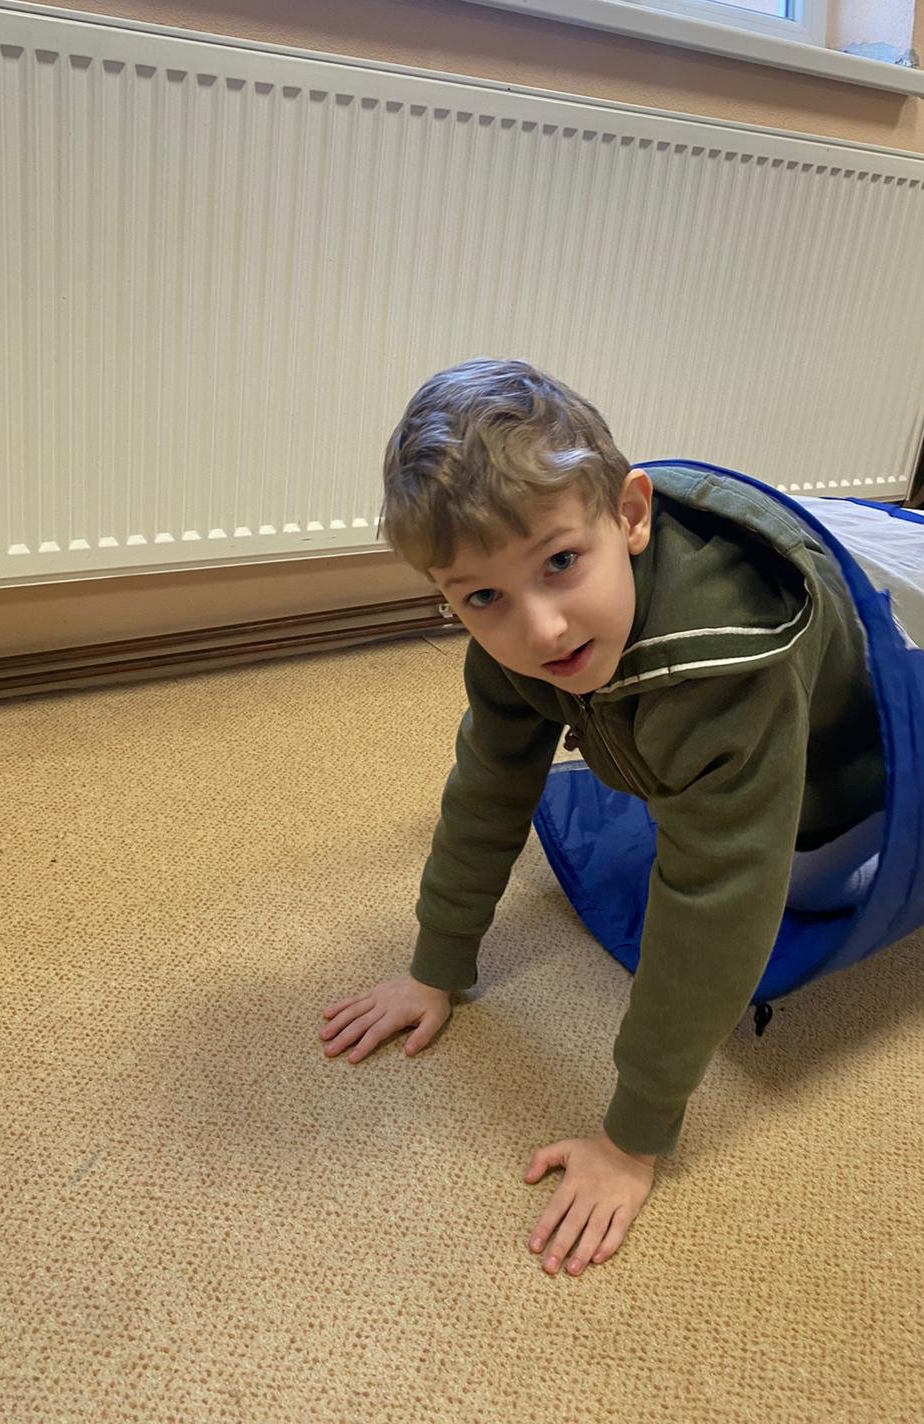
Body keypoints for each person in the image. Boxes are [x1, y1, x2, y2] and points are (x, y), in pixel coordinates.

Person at [319, 357, 886, 1277]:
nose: (540, 628)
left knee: (813, 879)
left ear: (630, 514)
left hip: (856, 756)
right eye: (482, 596)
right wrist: (436, 966)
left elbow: (720, 897)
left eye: (561, 563)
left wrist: (632, 1141)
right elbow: (488, 784)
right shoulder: (514, 643)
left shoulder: (726, 658)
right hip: (699, 708)